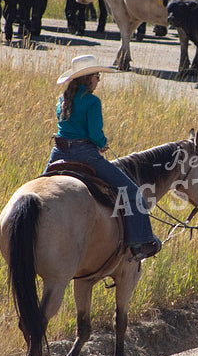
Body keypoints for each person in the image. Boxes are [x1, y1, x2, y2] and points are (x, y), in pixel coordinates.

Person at [46, 55, 162, 261]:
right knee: (132, 192)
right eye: (97, 76)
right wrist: (102, 143)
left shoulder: (62, 99)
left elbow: (65, 128)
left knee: (42, 187)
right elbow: (94, 133)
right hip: (85, 154)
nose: (99, 80)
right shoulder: (92, 101)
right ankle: (139, 243)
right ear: (88, 78)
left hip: (59, 153)